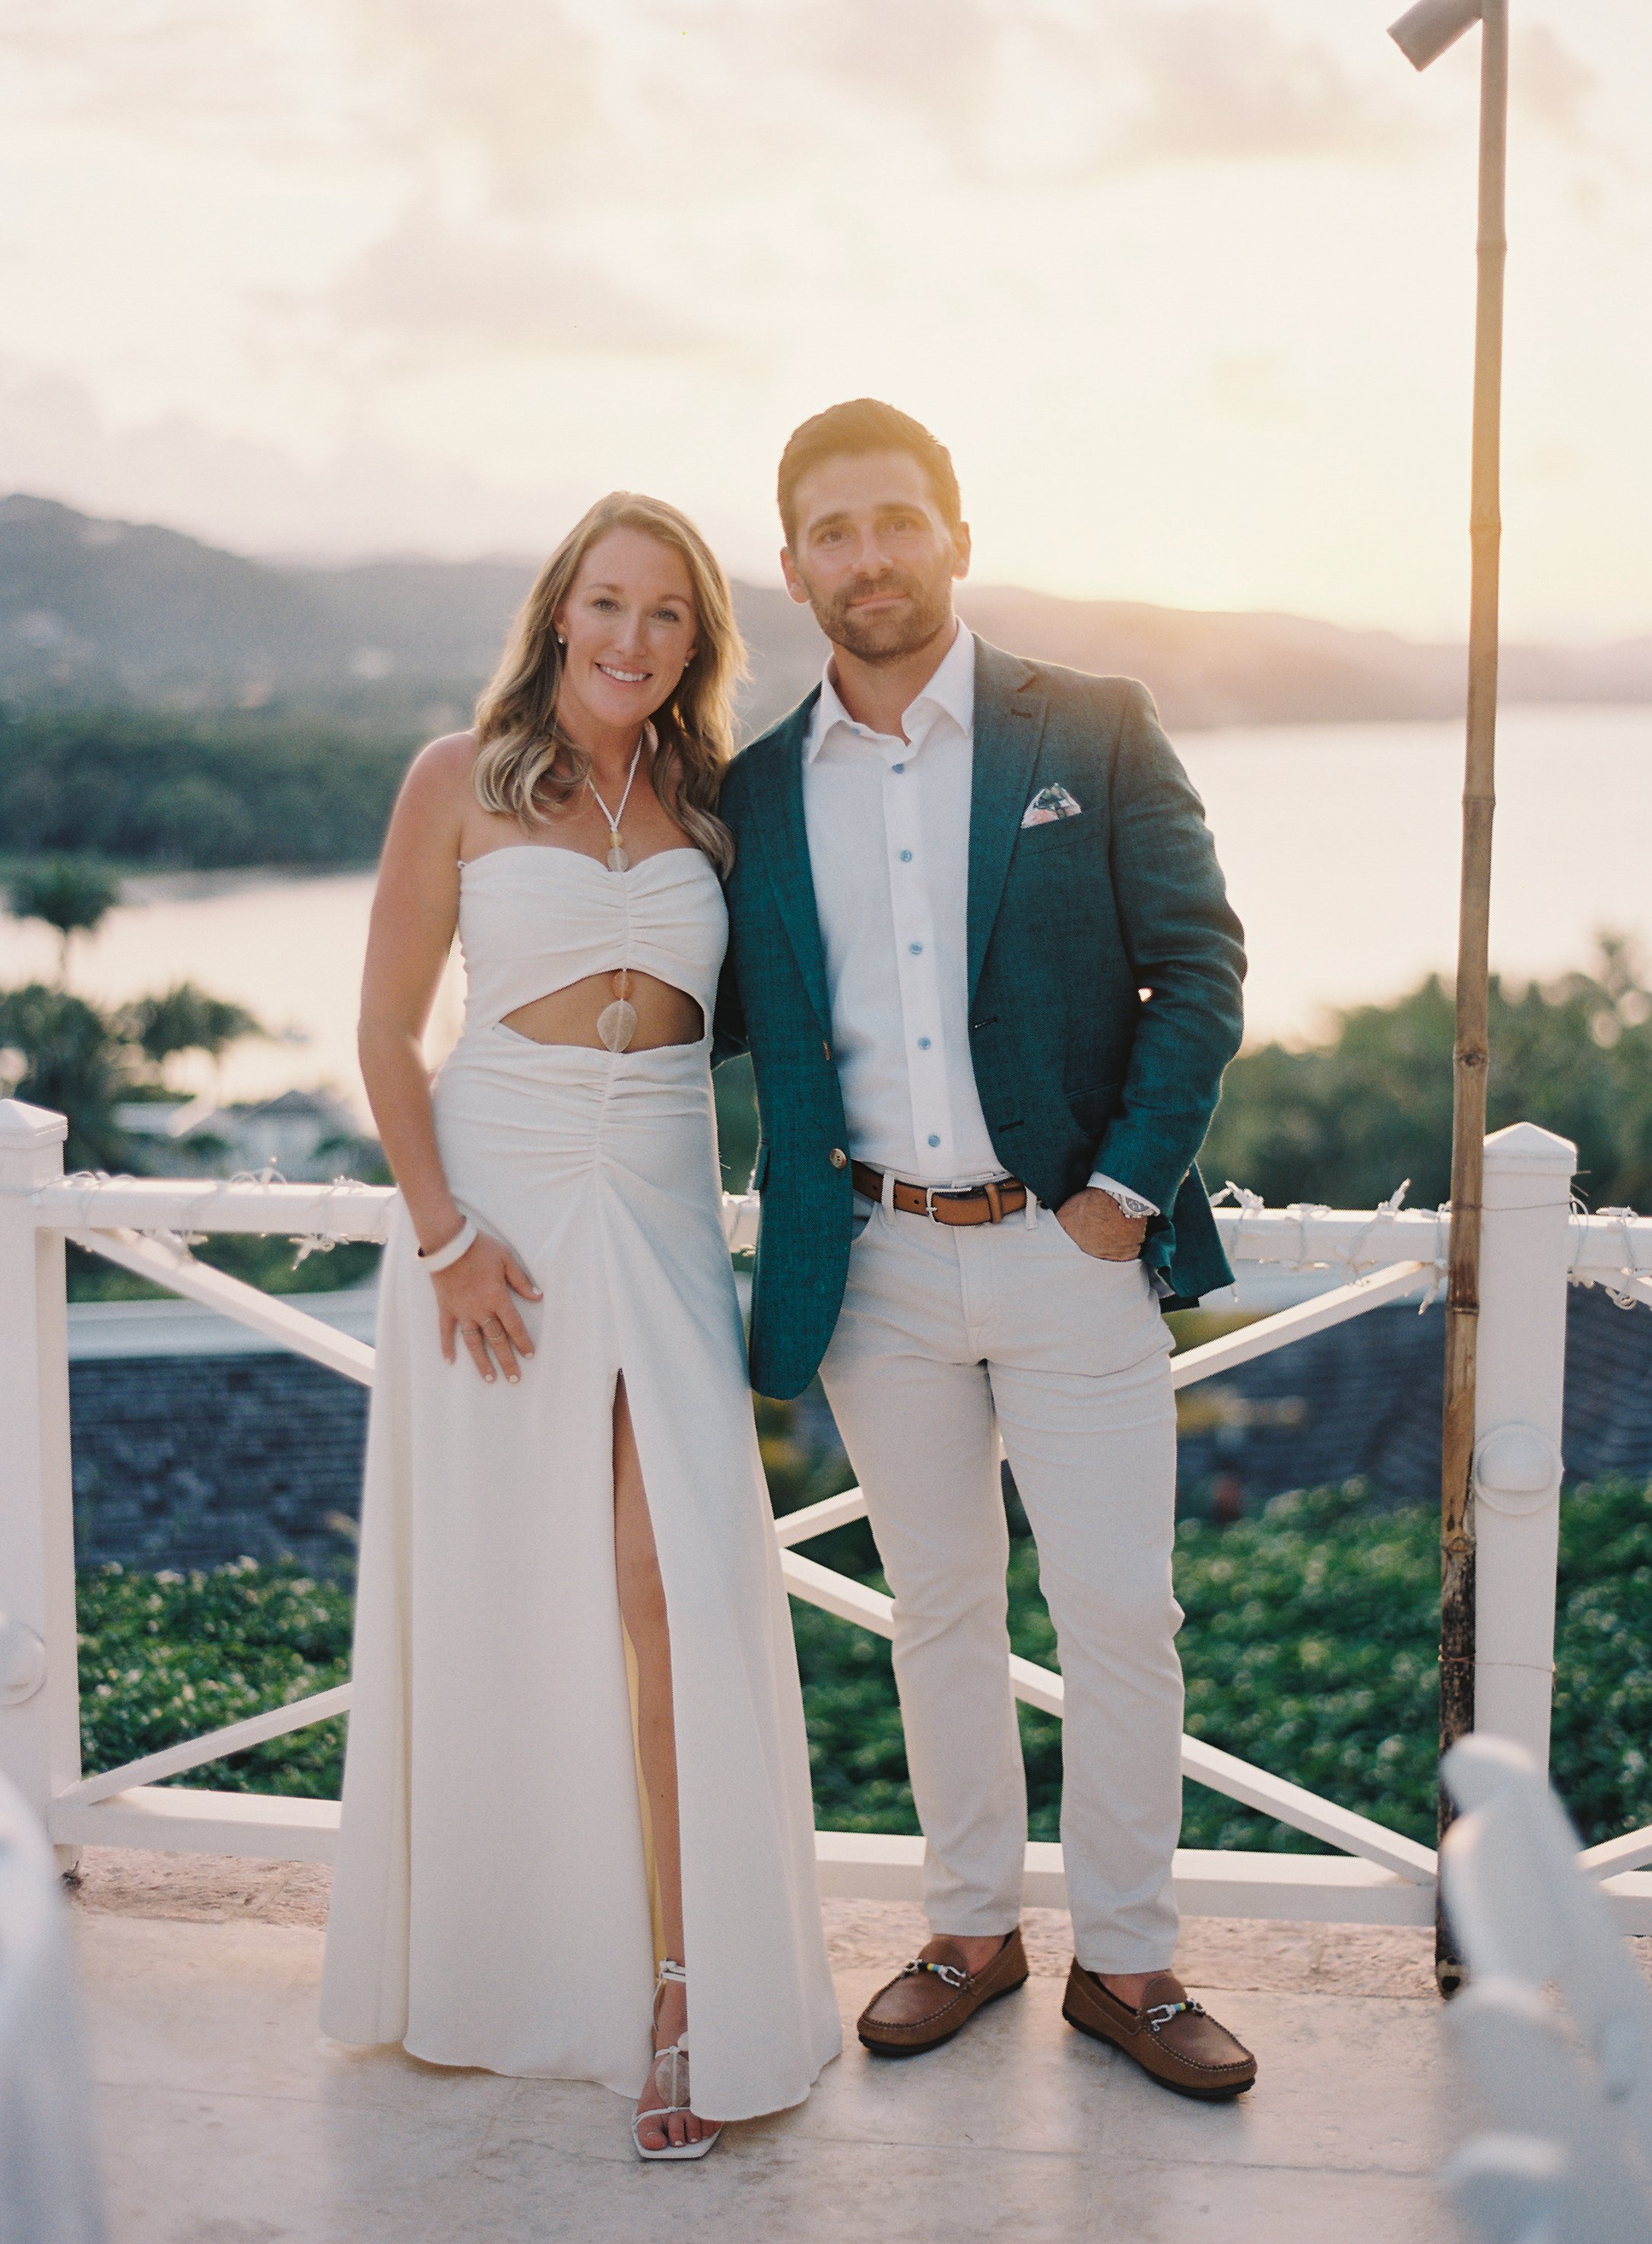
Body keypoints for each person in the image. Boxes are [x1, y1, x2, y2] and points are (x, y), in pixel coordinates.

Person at [714, 400, 1257, 2100]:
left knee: (1117, 1616)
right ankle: (968, 1930)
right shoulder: (748, 787)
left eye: (894, 520)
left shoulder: (1086, 729)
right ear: (793, 563)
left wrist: (1122, 1191)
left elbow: (1201, 967)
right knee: (935, 1610)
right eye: (831, 532)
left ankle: (1133, 1962)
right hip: (866, 1258)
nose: (865, 557)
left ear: (954, 532)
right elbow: (697, 1011)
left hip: (1067, 1249)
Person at [319, 491, 841, 2158]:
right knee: (506, 1588)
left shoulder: (708, 802)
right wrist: (446, 1234)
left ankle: (693, 1984)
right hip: (504, 1209)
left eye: (666, 615)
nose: (630, 638)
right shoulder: (453, 780)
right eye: (606, 605)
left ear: (698, 642)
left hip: (666, 1204)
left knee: (666, 1579)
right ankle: (508, 1969)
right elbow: (389, 1037)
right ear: (560, 613)